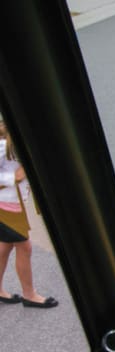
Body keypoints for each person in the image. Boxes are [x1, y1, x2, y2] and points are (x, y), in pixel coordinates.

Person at [0, 120, 58, 308]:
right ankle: (29, 294)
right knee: (24, 247)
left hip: (12, 204)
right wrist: (14, 177)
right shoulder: (3, 145)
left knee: (5, 247)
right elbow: (14, 175)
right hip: (6, 206)